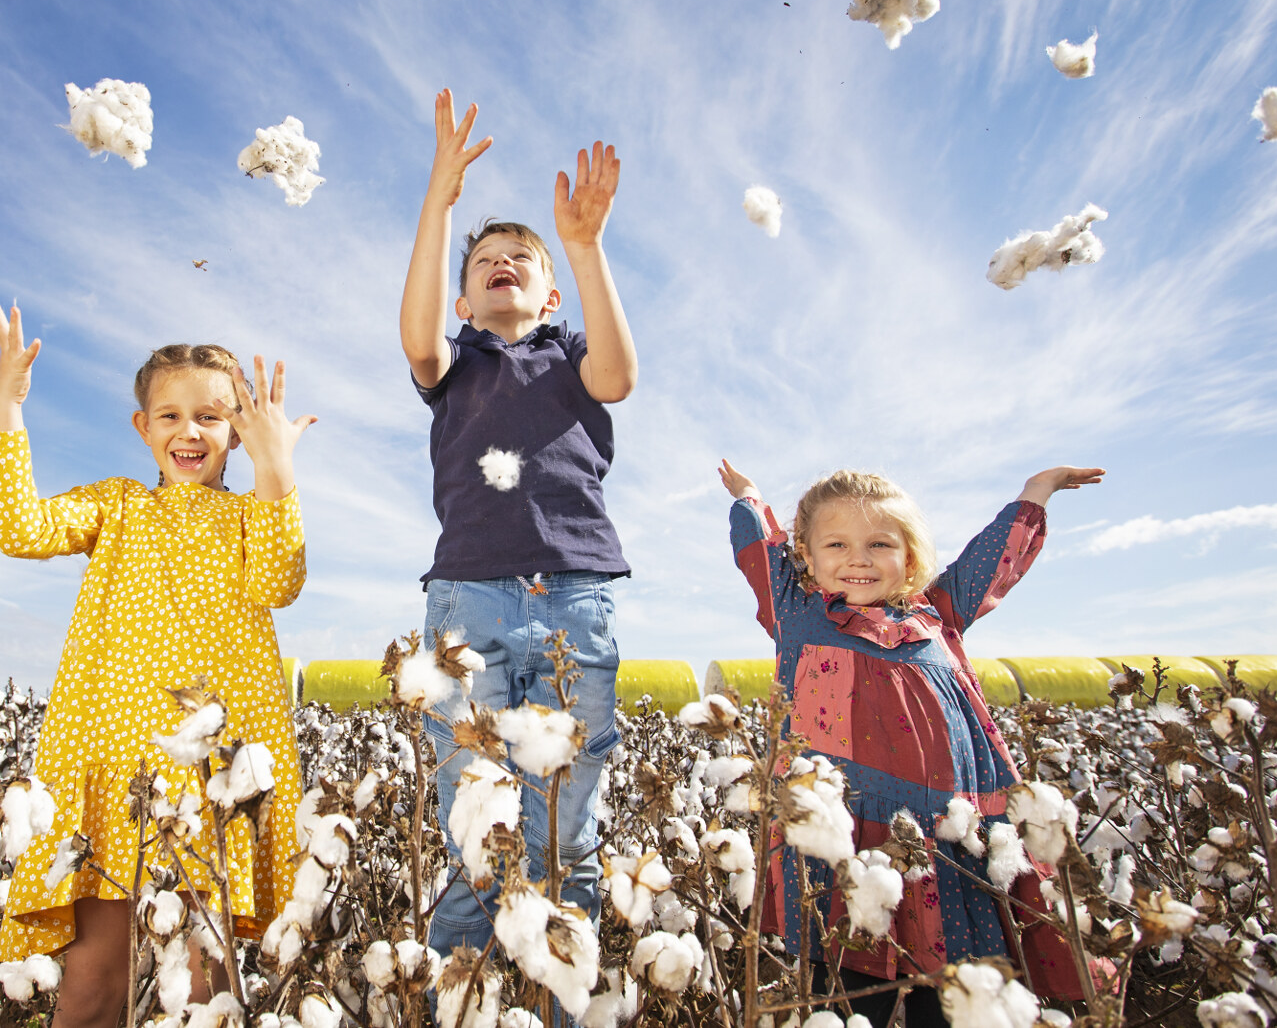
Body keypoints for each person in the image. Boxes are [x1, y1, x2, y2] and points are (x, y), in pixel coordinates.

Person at [0, 297, 314, 1028]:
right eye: (168, 415)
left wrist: (276, 467)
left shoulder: (254, 511)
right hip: (114, 770)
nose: (188, 431)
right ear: (142, 427)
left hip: (217, 774)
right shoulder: (117, 504)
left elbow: (279, 582)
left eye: (210, 417)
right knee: (94, 975)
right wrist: (8, 399)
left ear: (238, 431)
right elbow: (20, 527)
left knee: (205, 975)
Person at [716, 458, 1103, 1027]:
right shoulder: (797, 612)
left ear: (910, 557)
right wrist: (748, 496)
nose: (858, 558)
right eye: (837, 545)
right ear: (806, 557)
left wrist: (1035, 494)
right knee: (848, 993)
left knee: (947, 993)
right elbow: (759, 549)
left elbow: (990, 562)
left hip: (943, 838)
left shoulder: (937, 615)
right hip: (845, 837)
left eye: (879, 543)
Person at [398, 91, 637, 959]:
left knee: (562, 836)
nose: (503, 263)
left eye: (520, 259)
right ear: (464, 300)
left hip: (576, 600)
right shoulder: (453, 364)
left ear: (546, 294)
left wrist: (582, 245)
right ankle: (462, 996)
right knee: (475, 830)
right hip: (466, 605)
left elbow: (618, 377)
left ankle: (558, 993)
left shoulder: (571, 355)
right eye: (485, 260)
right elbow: (415, 335)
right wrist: (440, 198)